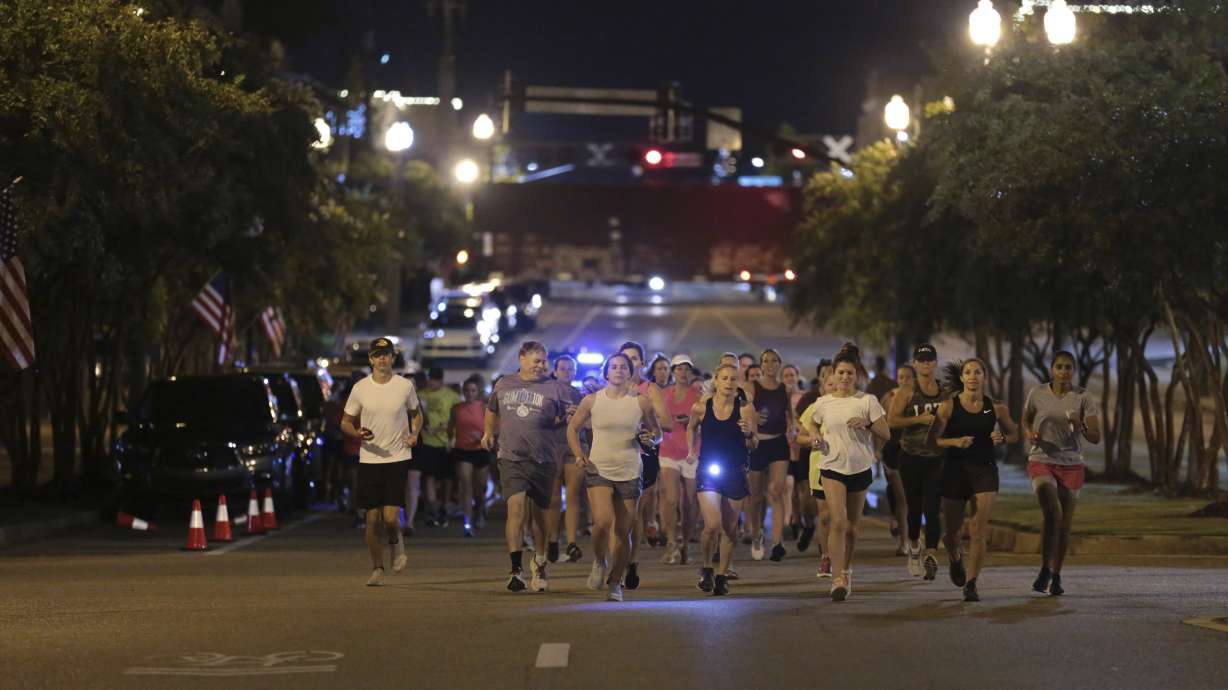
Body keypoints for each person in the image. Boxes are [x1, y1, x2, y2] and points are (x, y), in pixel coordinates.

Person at [567, 353, 662, 602]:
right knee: (602, 522)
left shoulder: (642, 402)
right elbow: (572, 428)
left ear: (630, 372)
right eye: (614, 367)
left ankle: (615, 582)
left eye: (623, 367)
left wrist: (650, 439)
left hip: (630, 471)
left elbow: (658, 433)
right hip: (599, 469)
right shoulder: (592, 400)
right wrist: (579, 455)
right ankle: (599, 561)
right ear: (606, 373)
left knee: (623, 533)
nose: (618, 371)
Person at [482, 341, 575, 593]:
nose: (541, 366)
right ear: (522, 358)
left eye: (543, 361)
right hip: (511, 457)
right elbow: (491, 410)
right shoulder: (504, 384)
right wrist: (488, 432)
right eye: (536, 361)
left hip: (543, 458)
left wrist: (569, 416)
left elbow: (569, 416)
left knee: (540, 517)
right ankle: (515, 570)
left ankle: (540, 560)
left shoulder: (554, 387)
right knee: (516, 508)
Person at [804, 343, 889, 601]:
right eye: (840, 373)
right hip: (831, 466)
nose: (844, 377)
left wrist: (867, 423)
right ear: (833, 375)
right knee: (837, 521)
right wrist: (816, 437)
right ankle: (837, 577)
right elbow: (810, 423)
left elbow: (886, 433)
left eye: (849, 373)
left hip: (860, 466)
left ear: (857, 374)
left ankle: (847, 569)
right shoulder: (823, 403)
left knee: (852, 527)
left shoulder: (868, 401)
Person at [932, 359, 1020, 602]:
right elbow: (932, 441)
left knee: (978, 528)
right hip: (954, 470)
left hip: (985, 471)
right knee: (951, 535)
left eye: (977, 372)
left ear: (985, 377)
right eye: (968, 372)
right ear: (961, 378)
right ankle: (955, 557)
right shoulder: (948, 407)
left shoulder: (996, 408)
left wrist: (1001, 436)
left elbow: (1014, 434)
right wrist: (954, 442)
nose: (972, 376)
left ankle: (971, 584)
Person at [340, 337, 423, 586]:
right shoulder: (361, 388)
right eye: (377, 355)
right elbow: (345, 421)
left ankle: (397, 545)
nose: (382, 359)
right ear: (371, 359)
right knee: (372, 519)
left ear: (393, 358)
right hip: (369, 458)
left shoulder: (404, 385)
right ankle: (377, 568)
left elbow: (416, 415)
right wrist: (356, 433)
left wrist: (414, 433)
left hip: (397, 456)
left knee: (389, 518)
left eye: (386, 355)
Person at [1022, 351, 1101, 596]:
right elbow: (1025, 420)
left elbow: (1095, 437)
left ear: (1073, 370)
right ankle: (1045, 569)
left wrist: (1082, 425)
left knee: (1064, 525)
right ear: (1052, 369)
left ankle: (1055, 575)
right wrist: (1029, 433)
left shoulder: (1083, 397)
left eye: (1068, 367)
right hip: (1041, 460)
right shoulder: (1037, 393)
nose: (1064, 371)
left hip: (1071, 464)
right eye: (1059, 367)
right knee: (1052, 512)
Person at [687, 363, 757, 596]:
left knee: (729, 529)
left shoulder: (745, 409)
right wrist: (690, 450)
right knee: (712, 525)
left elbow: (754, 443)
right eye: (724, 378)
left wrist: (748, 433)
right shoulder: (701, 407)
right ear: (716, 380)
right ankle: (707, 567)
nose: (728, 383)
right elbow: (691, 428)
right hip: (708, 469)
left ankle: (721, 575)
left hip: (735, 470)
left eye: (733, 379)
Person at [887, 343, 949, 581]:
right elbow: (892, 420)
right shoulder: (906, 391)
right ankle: (914, 547)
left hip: (936, 457)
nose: (925, 363)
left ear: (935, 363)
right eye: (921, 360)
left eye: (929, 360)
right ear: (914, 364)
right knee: (914, 508)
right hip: (910, 456)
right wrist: (919, 419)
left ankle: (930, 555)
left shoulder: (944, 391)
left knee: (932, 507)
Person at [617, 340, 672, 590]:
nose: (630, 363)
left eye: (635, 359)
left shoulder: (650, 390)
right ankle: (614, 559)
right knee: (614, 514)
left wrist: (648, 426)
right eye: (625, 359)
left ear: (642, 362)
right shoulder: (610, 387)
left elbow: (666, 423)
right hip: (615, 455)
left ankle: (632, 562)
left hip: (643, 455)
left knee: (635, 512)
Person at [746, 349, 795, 562]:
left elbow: (790, 416)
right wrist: (754, 418)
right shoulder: (752, 387)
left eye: (775, 360)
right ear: (761, 364)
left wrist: (793, 428)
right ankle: (756, 535)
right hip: (757, 444)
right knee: (756, 496)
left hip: (778, 443)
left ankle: (777, 542)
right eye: (766, 361)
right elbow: (744, 411)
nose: (770, 364)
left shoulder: (785, 389)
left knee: (776, 490)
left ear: (779, 364)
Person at [658, 355, 703, 565]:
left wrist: (692, 423)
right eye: (679, 369)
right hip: (668, 451)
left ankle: (685, 542)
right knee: (671, 499)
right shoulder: (664, 394)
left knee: (689, 502)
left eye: (686, 369)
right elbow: (657, 417)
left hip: (691, 452)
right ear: (673, 371)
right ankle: (670, 543)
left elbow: (706, 422)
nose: (683, 373)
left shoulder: (698, 395)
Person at [547, 355, 586, 562]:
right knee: (553, 498)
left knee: (573, 494)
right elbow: (542, 421)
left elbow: (587, 422)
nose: (567, 372)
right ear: (555, 371)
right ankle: (552, 539)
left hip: (573, 446)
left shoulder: (578, 393)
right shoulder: (548, 391)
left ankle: (571, 542)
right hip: (553, 446)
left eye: (570, 369)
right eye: (563, 368)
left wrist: (578, 416)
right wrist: (563, 416)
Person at [879, 365, 915, 556]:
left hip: (915, 450)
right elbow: (879, 423)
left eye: (908, 377)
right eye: (901, 377)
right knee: (902, 497)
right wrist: (877, 449)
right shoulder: (889, 397)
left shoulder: (919, 397)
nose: (904, 380)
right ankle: (904, 541)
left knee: (913, 497)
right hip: (893, 450)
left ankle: (913, 536)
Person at [417, 367, 460, 529]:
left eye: (433, 379)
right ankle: (432, 510)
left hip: (446, 443)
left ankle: (444, 506)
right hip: (427, 442)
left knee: (447, 478)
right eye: (429, 379)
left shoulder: (452, 396)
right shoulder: (421, 395)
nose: (430, 382)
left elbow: (457, 418)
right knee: (429, 477)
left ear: (440, 380)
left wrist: (450, 432)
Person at [448, 374, 490, 537]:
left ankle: (479, 509)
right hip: (463, 451)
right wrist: (451, 439)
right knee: (466, 485)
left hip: (480, 450)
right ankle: (468, 521)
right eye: (467, 390)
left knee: (480, 487)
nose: (469, 393)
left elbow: (491, 429)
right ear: (463, 391)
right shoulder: (456, 408)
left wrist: (482, 437)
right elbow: (451, 427)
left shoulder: (483, 408)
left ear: (477, 392)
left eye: (473, 390)